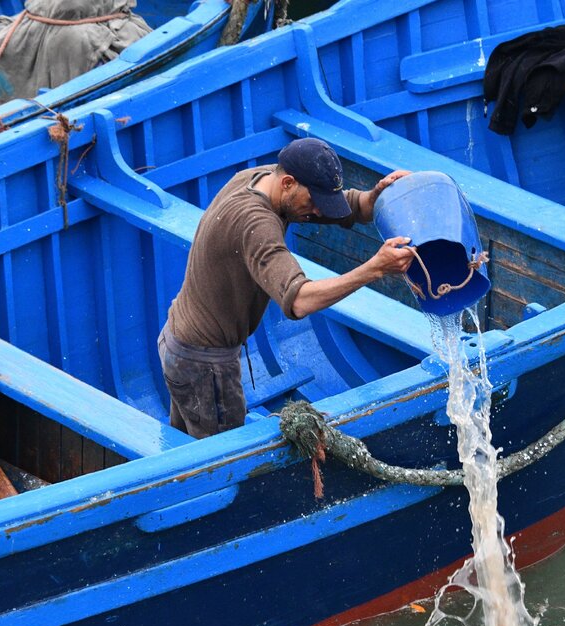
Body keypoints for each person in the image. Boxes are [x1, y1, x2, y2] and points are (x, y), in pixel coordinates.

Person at [158, 137, 415, 438]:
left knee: (188, 446)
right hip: (203, 364)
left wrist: (373, 197)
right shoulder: (255, 224)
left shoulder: (262, 178)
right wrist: (374, 269)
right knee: (219, 465)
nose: (318, 212)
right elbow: (300, 301)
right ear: (289, 183)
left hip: (178, 341)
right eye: (314, 203)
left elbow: (347, 206)